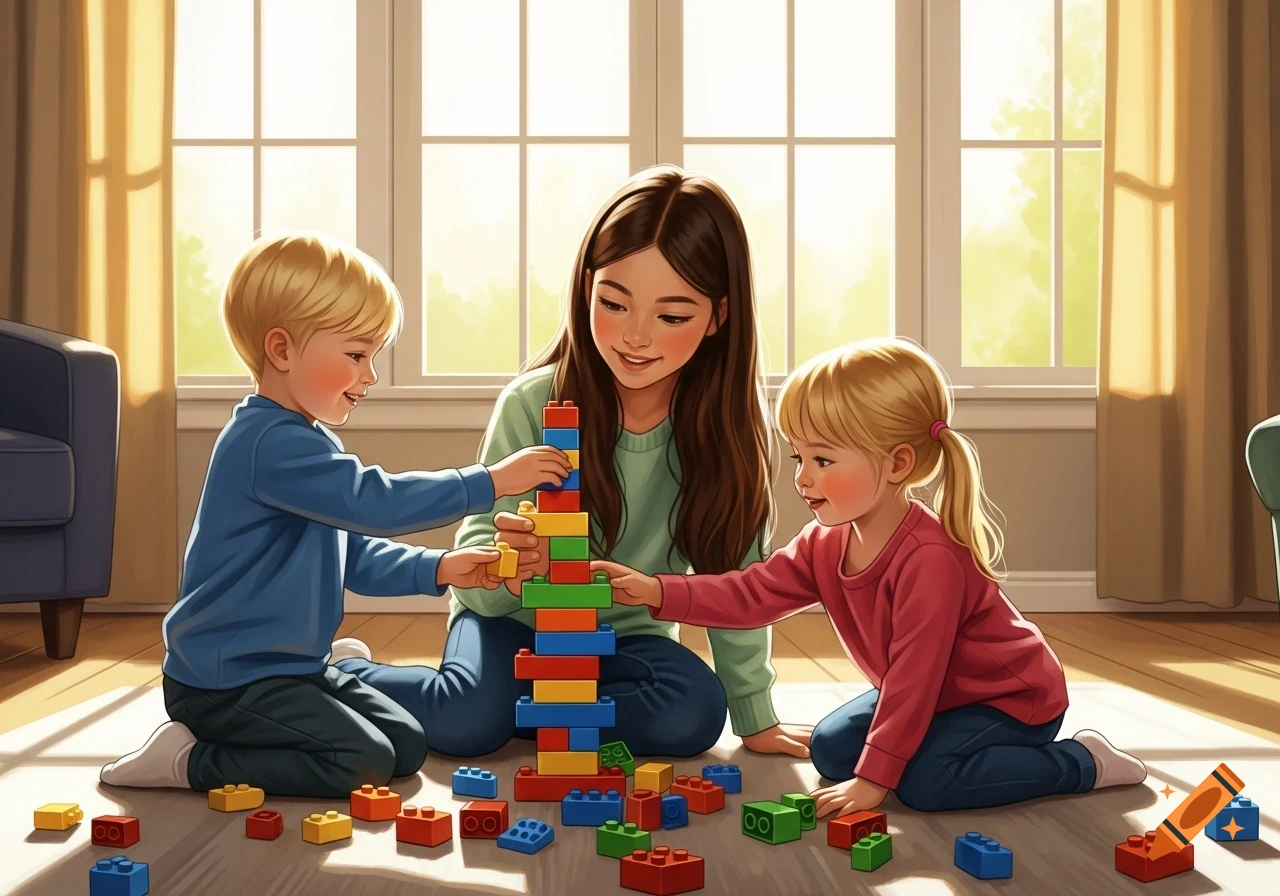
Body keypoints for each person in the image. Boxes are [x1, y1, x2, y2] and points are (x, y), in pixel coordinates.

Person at [330, 165, 811, 759]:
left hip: (625, 637)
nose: (636, 336)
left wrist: (756, 715)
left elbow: (736, 578)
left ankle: (531, 711)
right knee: (466, 721)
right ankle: (348, 676)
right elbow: (479, 558)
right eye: (614, 302)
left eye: (672, 316)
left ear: (718, 316)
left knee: (694, 713)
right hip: (510, 624)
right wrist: (512, 567)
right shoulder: (535, 403)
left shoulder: (727, 430)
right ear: (587, 288)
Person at [99, 231, 571, 798]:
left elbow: (350, 554)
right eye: (355, 355)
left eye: (373, 357)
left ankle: (329, 677)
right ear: (281, 351)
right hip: (227, 680)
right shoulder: (266, 444)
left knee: (406, 744)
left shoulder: (307, 441)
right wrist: (492, 481)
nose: (369, 376)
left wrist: (442, 568)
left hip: (292, 664)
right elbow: (378, 503)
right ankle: (189, 760)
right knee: (361, 762)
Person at [592, 337, 1148, 815]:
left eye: (824, 461)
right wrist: (658, 590)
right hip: (934, 696)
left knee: (927, 782)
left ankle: (1083, 761)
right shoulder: (825, 541)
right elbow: (753, 593)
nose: (803, 478)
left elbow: (913, 677)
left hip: (1007, 699)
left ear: (897, 464)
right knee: (833, 752)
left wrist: (877, 779)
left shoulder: (930, 558)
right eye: (798, 458)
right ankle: (910, 758)